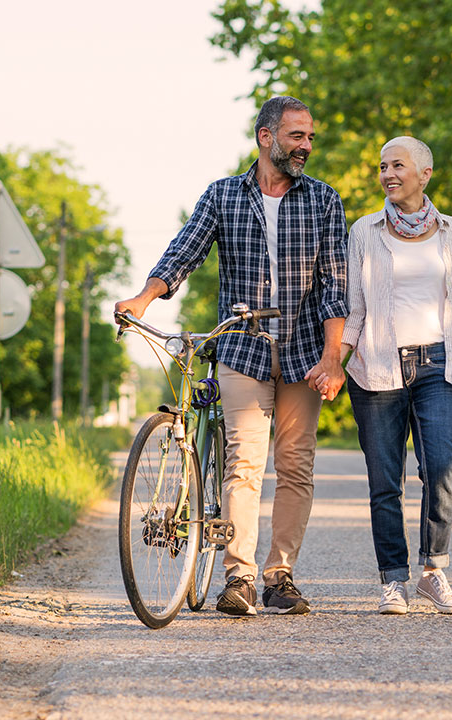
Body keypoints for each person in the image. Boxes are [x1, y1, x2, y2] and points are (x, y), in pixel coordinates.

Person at [115, 96, 348, 617]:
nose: (306, 146)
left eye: (310, 137)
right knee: (244, 463)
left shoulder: (325, 201)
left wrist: (333, 358)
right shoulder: (223, 196)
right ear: (266, 138)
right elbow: (184, 251)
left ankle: (280, 576)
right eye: (296, 136)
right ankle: (239, 578)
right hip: (242, 348)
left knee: (295, 466)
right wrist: (143, 298)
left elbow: (336, 286)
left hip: (305, 352)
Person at [316, 135, 452, 614]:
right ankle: (393, 581)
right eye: (383, 166)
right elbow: (355, 307)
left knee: (442, 467)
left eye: (397, 165)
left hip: (439, 362)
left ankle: (432, 571)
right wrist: (335, 361)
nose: (387, 174)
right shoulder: (364, 231)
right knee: (385, 480)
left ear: (424, 174)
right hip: (376, 365)